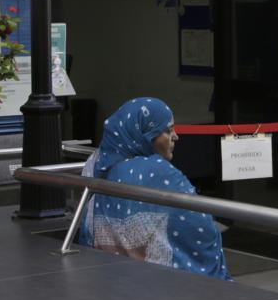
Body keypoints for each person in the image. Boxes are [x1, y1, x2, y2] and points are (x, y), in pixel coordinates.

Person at [78, 97, 230, 280]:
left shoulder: (96, 163)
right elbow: (199, 226)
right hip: (162, 287)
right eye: (167, 130)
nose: (175, 136)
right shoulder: (158, 173)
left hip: (107, 279)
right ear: (146, 134)